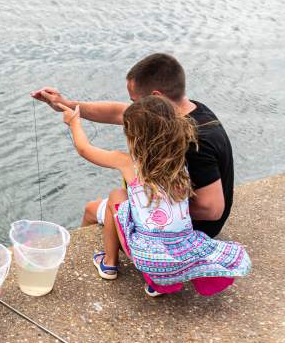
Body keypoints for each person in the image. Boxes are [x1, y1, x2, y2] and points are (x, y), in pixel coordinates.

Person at [57, 95, 250, 296]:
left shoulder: (127, 162)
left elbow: (84, 149)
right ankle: (157, 283)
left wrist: (74, 122)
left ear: (134, 138)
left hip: (145, 256)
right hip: (181, 255)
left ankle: (109, 263)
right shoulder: (180, 163)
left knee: (117, 195)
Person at [32, 53, 234, 238]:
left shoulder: (195, 140)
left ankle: (102, 259)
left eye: (135, 101)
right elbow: (117, 112)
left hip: (189, 230)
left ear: (156, 97)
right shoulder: (183, 114)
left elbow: (212, 209)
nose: (132, 107)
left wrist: (145, 207)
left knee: (94, 209)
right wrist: (66, 104)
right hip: (176, 220)